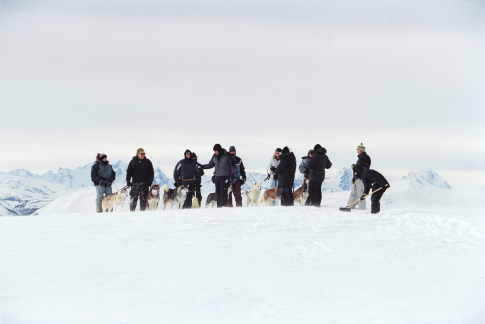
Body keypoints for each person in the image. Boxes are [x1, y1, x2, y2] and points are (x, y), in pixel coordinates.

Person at [200, 143, 236, 208]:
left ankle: (223, 207)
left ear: (219, 150)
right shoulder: (214, 156)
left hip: (225, 177)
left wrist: (232, 174)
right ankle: (219, 207)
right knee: (218, 193)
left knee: (223, 193)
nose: (215, 152)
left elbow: (232, 165)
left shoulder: (227, 155)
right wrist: (202, 166)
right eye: (214, 151)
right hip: (217, 177)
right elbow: (210, 164)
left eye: (215, 150)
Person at [348, 143, 372, 210]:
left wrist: (355, 167)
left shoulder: (366, 158)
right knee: (353, 193)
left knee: (360, 194)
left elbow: (363, 169)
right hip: (357, 178)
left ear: (361, 150)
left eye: (358, 150)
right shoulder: (360, 158)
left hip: (361, 178)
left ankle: (361, 209)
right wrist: (354, 177)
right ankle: (351, 206)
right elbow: (358, 169)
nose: (357, 151)